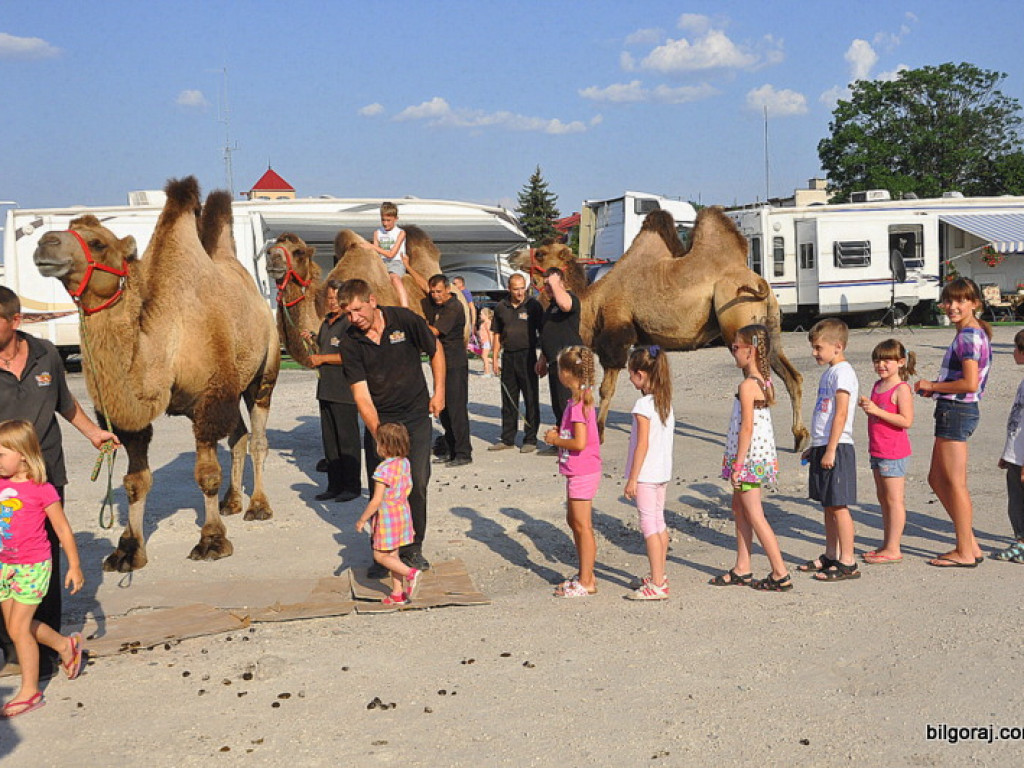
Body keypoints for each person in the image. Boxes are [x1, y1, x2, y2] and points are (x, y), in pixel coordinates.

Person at [0, 286, 118, 672]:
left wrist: (93, 433)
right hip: (3, 482)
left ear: (15, 321)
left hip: (45, 476)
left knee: (42, 560)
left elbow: (64, 403)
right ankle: (13, 644)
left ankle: (46, 645)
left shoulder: (44, 353)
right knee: (5, 562)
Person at [338, 279, 444, 574]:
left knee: (416, 483)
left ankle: (412, 549)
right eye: (348, 313)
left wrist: (440, 392)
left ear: (372, 300)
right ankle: (382, 552)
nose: (354, 318)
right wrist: (378, 435)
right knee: (382, 489)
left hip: (416, 415)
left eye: (358, 310)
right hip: (382, 421)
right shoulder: (350, 342)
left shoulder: (404, 320)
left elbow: (435, 351)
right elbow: (361, 395)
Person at [0, 420, 85, 717]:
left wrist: (74, 565)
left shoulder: (42, 490)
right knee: (14, 627)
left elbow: (62, 530)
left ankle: (30, 691)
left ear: (22, 454)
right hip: (5, 565)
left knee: (19, 629)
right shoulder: (1, 483)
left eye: (1, 454)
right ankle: (65, 645)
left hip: (32, 565)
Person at [914, 277, 991, 568]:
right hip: (954, 409)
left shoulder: (969, 336)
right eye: (948, 301)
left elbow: (970, 383)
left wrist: (932, 385)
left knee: (956, 484)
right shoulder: (975, 332)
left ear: (975, 303)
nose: (952, 307)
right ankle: (969, 542)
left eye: (960, 301)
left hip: (958, 410)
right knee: (937, 478)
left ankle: (964, 550)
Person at [710, 325, 791, 592]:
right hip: (755, 458)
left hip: (748, 460)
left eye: (735, 347)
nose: (733, 352)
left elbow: (747, 427)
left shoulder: (747, 386)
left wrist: (739, 465)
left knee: (755, 514)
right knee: (739, 509)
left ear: (751, 350)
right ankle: (742, 567)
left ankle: (780, 572)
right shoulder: (764, 381)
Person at [799, 318, 860, 582]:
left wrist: (831, 449)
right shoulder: (829, 373)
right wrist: (815, 447)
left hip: (838, 446)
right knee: (827, 504)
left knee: (838, 505)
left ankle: (848, 561)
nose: (814, 353)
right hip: (823, 444)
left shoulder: (844, 372)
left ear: (837, 346)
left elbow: (841, 413)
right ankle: (831, 554)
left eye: (818, 347)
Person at [544, 346, 601, 598]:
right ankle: (585, 573)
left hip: (583, 471)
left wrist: (555, 440)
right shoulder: (578, 400)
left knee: (582, 525)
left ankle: (587, 580)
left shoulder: (579, 405)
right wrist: (562, 432)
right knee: (574, 521)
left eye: (559, 368)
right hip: (577, 470)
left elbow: (579, 443)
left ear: (567, 373)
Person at [622, 346, 674, 600]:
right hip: (661, 472)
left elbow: (641, 444)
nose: (630, 379)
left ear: (640, 374)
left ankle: (657, 583)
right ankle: (659, 574)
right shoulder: (664, 401)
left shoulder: (643, 404)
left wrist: (632, 477)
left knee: (649, 526)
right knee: (659, 522)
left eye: (630, 374)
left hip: (646, 474)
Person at [857, 339, 916, 564]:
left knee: (894, 500)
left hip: (894, 451)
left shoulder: (901, 389)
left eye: (887, 360)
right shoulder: (877, 385)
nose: (881, 365)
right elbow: (877, 414)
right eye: (877, 360)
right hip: (878, 449)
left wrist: (876, 411)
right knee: (883, 498)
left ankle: (894, 547)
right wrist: (869, 409)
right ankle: (887, 543)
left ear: (900, 362)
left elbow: (906, 420)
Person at [307, 279, 362, 502]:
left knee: (347, 440)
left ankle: (352, 486)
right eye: (329, 298)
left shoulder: (349, 325)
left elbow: (351, 356)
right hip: (326, 390)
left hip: (344, 391)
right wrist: (312, 340)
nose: (332, 303)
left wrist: (322, 358)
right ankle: (334, 485)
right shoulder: (326, 323)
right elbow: (323, 347)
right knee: (330, 442)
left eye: (336, 299)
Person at [355, 423, 422, 605]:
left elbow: (376, 500)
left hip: (387, 517)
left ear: (383, 446)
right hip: (402, 512)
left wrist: (362, 519)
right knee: (393, 555)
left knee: (380, 555)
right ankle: (397, 593)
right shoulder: (404, 463)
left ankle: (411, 573)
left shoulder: (382, 470)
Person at [489, 273, 543, 452]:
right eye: (516, 289)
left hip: (527, 356)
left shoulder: (533, 305)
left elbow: (543, 333)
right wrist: (495, 358)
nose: (520, 293)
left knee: (530, 398)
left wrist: (543, 358)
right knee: (509, 399)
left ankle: (530, 438)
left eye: (522, 288)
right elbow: (496, 333)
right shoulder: (500, 307)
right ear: (509, 289)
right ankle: (507, 438)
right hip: (508, 356)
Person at [422, 274, 472, 467]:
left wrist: (418, 326)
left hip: (454, 362)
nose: (435, 296)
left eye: (439, 292)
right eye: (432, 292)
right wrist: (408, 267)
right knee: (443, 408)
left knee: (456, 408)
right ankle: (450, 449)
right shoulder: (439, 304)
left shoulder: (453, 307)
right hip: (440, 364)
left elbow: (434, 332)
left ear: (448, 289)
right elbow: (423, 284)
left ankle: (463, 452)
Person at [536, 267, 583, 455]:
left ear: (561, 282)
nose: (547, 287)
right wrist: (542, 358)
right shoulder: (551, 307)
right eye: (545, 284)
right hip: (554, 361)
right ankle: (561, 443)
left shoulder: (569, 299)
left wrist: (556, 283)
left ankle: (571, 442)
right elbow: (548, 333)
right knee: (558, 403)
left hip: (569, 362)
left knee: (568, 403)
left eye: (550, 284)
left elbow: (566, 305)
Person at [995, 328, 1024, 563]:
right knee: (1015, 499)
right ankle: (1020, 539)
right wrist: (1008, 451)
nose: (1013, 352)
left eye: (1016, 348)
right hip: (1017, 453)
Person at [370, 201, 410, 309]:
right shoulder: (377, 233)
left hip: (396, 262)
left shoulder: (400, 233)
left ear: (396, 219)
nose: (385, 223)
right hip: (381, 264)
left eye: (389, 220)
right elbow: (375, 254)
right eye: (383, 220)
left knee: (395, 278)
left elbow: (391, 254)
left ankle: (405, 308)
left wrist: (372, 247)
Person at [477, 307, 495, 378]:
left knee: (484, 356)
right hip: (484, 342)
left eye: (481, 314)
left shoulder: (488, 323)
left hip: (487, 342)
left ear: (486, 315)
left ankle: (487, 372)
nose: (480, 315)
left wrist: (491, 343)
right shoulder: (483, 323)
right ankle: (494, 363)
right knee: (484, 356)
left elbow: (490, 333)